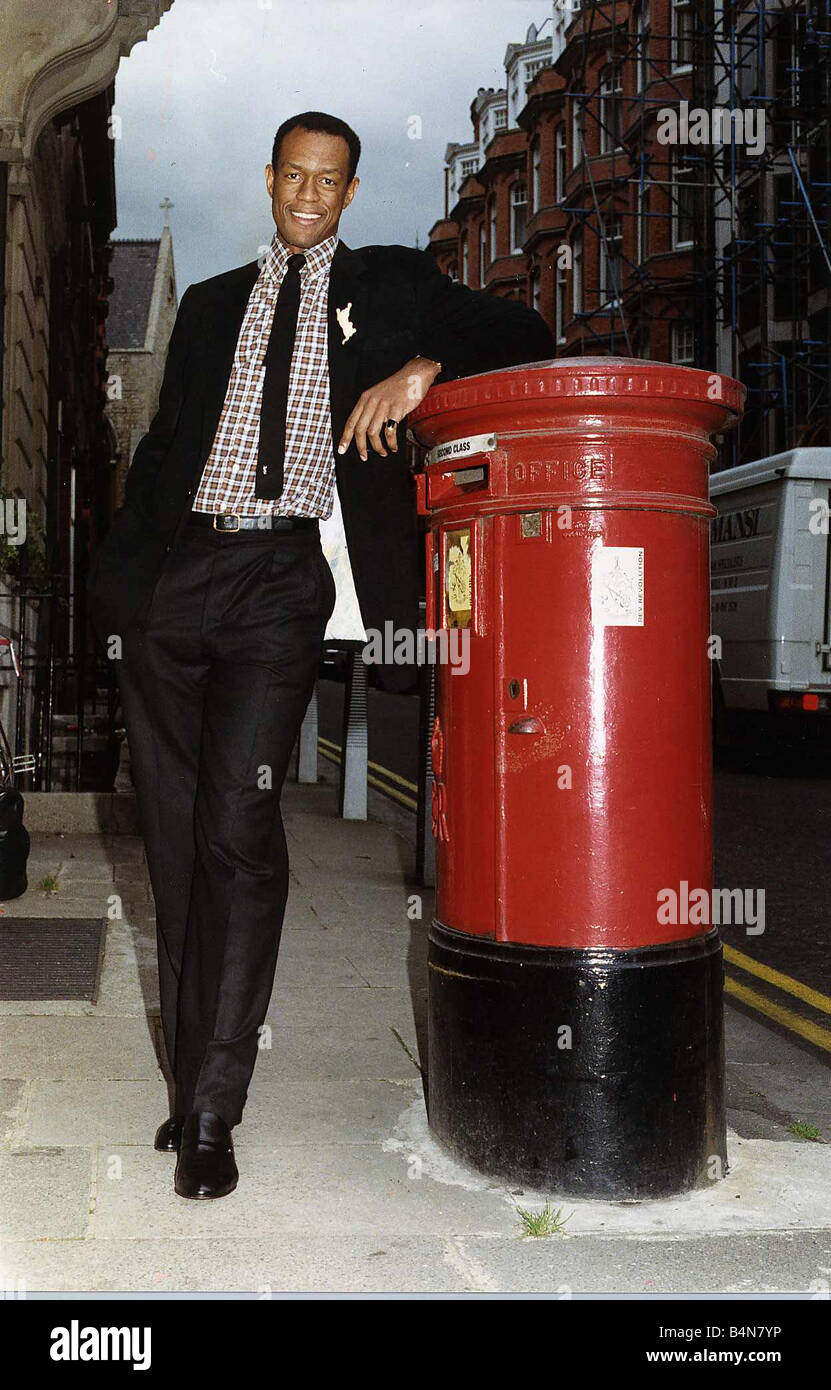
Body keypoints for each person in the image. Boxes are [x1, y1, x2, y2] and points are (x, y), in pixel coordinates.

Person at [87, 110, 556, 1200]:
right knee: (171, 841)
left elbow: (529, 330)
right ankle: (184, 1073)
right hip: (172, 583)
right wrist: (124, 583)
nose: (307, 193)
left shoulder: (391, 283)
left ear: (348, 193)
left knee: (239, 826)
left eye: (327, 180)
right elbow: (164, 451)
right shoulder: (207, 305)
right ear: (269, 181)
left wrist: (426, 368)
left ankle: (214, 1105)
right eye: (292, 175)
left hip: (278, 585)